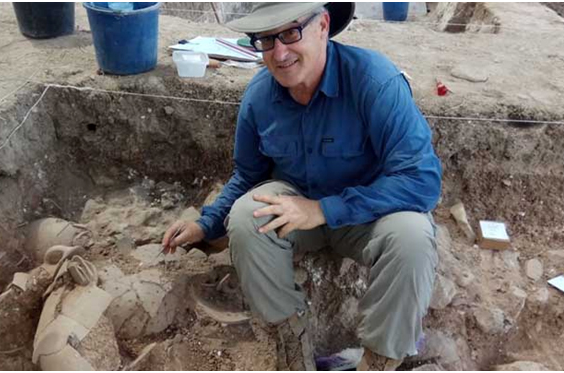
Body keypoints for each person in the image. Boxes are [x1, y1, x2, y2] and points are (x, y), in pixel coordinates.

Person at [161, 2, 442, 371]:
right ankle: (293, 344)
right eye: (265, 39)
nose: (279, 52)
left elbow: (422, 180)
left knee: (413, 237)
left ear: (323, 24)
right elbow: (246, 176)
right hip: (295, 213)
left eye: (291, 33)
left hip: (367, 215)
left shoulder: (376, 82)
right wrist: (205, 224)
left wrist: (322, 210)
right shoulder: (260, 96)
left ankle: (378, 361)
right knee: (247, 217)